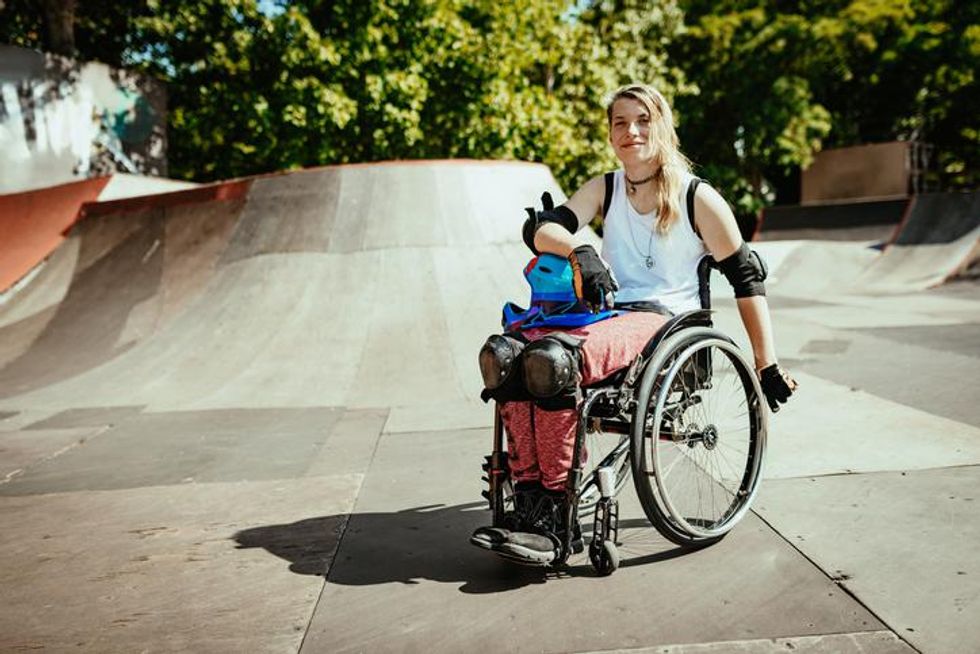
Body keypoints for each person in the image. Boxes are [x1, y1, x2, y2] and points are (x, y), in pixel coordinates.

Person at [472, 83, 798, 565]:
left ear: (662, 126)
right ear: (610, 134)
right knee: (507, 356)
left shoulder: (696, 198)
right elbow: (541, 229)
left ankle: (555, 518)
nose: (632, 131)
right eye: (620, 122)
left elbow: (746, 278)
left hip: (664, 323)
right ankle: (529, 500)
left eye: (642, 120)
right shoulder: (605, 187)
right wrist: (579, 248)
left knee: (553, 361)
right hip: (607, 316)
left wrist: (765, 363)